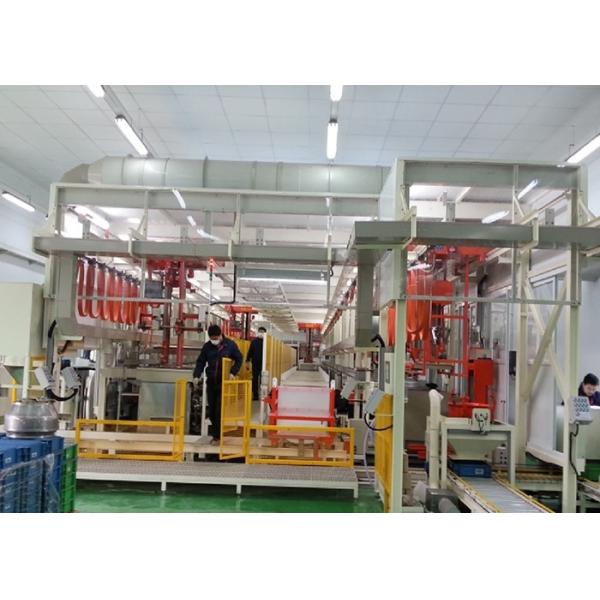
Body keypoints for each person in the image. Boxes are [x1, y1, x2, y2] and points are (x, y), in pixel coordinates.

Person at [193, 324, 243, 441]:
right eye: (212, 338)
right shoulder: (207, 347)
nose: (214, 341)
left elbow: (239, 358)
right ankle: (216, 433)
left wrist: (233, 372)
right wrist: (196, 375)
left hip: (223, 383)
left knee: (219, 409)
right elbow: (200, 362)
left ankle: (217, 436)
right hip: (211, 382)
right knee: (212, 409)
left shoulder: (230, 345)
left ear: (220, 335)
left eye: (216, 338)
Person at [246, 327, 266, 402]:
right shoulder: (254, 342)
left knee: (263, 380)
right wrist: (247, 360)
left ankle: (263, 394)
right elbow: (250, 352)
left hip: (264, 364)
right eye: (260, 331)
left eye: (262, 332)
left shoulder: (266, 342)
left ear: (265, 333)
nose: (261, 333)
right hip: (255, 363)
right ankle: (255, 395)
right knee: (255, 379)